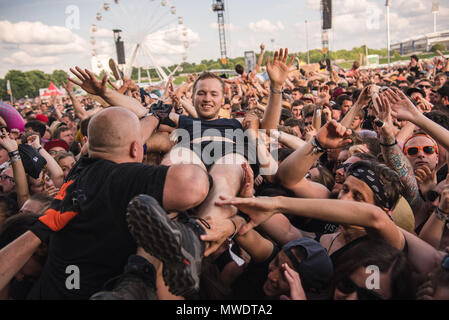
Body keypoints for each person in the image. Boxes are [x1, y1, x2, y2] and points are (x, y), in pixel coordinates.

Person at [0, 107, 214, 299]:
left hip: (59, 288)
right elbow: (192, 185)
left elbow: (121, 136)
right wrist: (189, 161)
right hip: (108, 291)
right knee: (168, 215)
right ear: (135, 149)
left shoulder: (79, 171)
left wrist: (154, 116)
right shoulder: (125, 178)